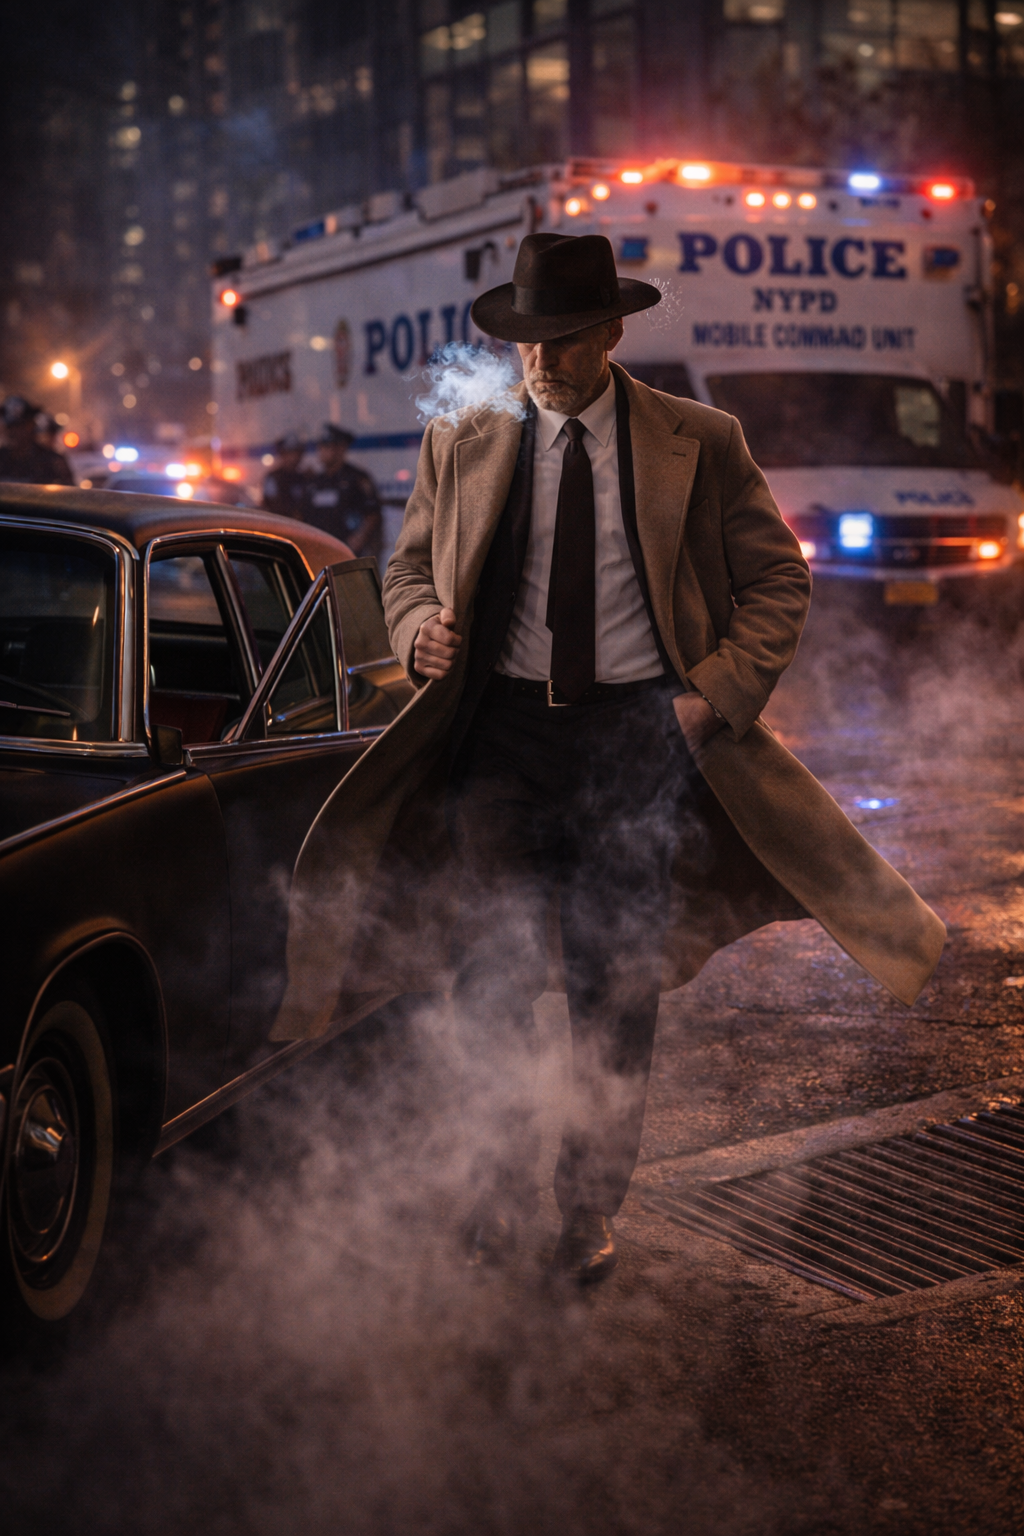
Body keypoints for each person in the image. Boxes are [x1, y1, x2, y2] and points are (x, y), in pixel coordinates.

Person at [270, 233, 944, 1288]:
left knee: (613, 987)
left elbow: (779, 583)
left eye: (564, 339)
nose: (540, 359)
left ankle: (586, 1211)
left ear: (611, 333)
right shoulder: (466, 434)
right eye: (525, 339)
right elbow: (403, 573)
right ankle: (490, 1191)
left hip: (639, 742)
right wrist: (414, 636)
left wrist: (709, 700)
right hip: (497, 739)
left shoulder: (698, 439)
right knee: (485, 980)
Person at [302, 424, 382, 561]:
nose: (322, 452)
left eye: (327, 447)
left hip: (348, 552)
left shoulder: (356, 478)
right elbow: (303, 514)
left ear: (340, 449)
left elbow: (372, 513)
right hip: (319, 551)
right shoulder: (314, 482)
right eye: (321, 447)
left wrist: (359, 538)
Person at [0, 396, 74, 485]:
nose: (14, 432)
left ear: (32, 426)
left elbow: (69, 495)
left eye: (21, 427)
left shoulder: (52, 462)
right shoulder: (2, 458)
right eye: (10, 427)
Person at [261, 431, 308, 518]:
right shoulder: (273, 478)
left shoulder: (304, 477)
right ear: (282, 454)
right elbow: (270, 505)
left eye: (296, 453)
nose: (293, 458)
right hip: (280, 526)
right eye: (289, 453)